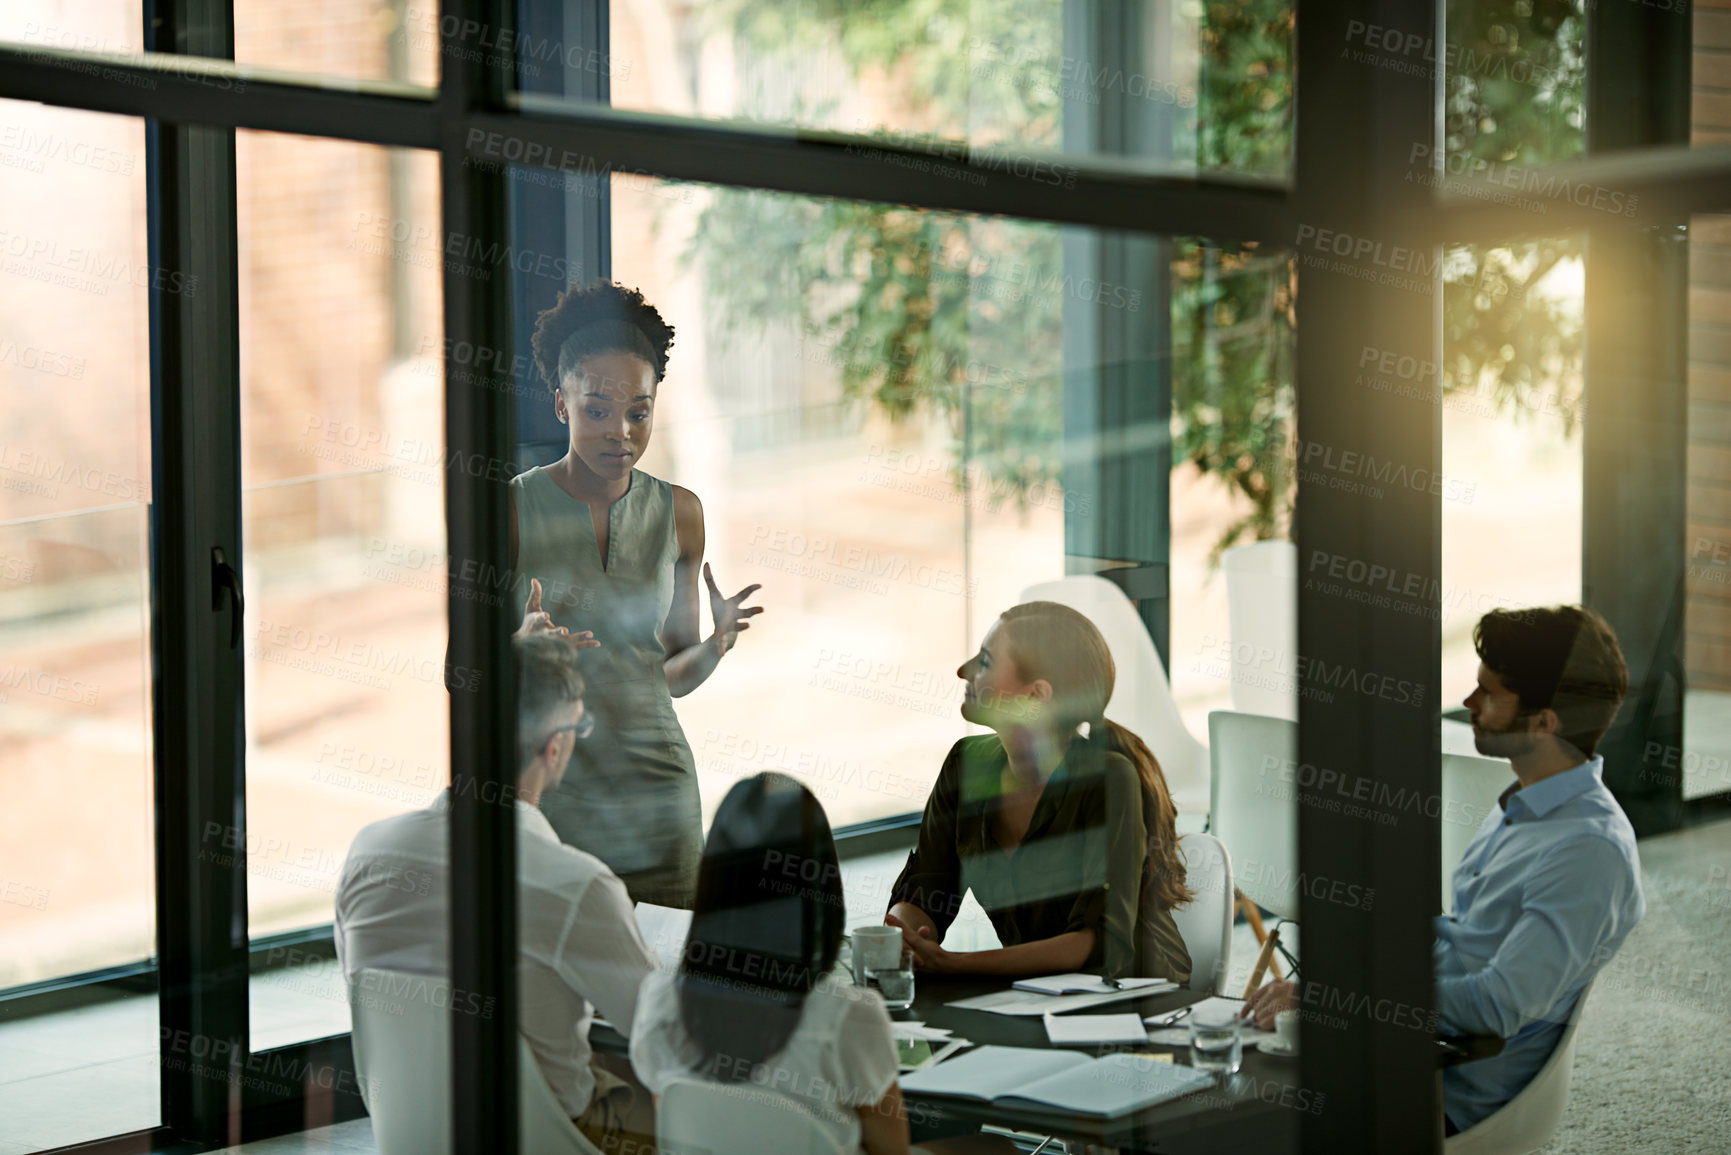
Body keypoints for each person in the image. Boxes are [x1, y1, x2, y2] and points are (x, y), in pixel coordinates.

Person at [1242, 604, 1644, 1136]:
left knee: (1242, 1122)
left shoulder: (1588, 851)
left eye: (1490, 694)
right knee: (1219, 1080)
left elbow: (1493, 1006)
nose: (1468, 702)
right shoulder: (1523, 802)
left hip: (1447, 1096)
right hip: (1403, 1050)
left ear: (1545, 723)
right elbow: (1458, 942)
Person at [335, 634, 660, 1153]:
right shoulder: (575, 886)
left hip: (412, 1131)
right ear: (555, 747)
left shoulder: (367, 855)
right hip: (548, 1136)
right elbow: (661, 1038)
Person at [514, 280, 763, 907]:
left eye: (639, 412)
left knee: (669, 977)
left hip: (660, 796)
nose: (620, 432)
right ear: (561, 405)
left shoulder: (681, 513)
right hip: (554, 790)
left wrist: (717, 645)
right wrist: (519, 647)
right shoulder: (509, 511)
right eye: (597, 410)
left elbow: (670, 674)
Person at [629, 772, 1011, 1155]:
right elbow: (890, 1149)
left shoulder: (660, 1001)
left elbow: (676, 1123)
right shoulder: (848, 1015)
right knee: (995, 1148)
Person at [884, 601, 1193, 982]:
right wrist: (905, 937)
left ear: (1035, 695)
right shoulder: (966, 765)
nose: (963, 671)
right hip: (1034, 997)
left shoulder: (1110, 780)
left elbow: (1096, 944)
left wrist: (955, 964)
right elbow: (926, 891)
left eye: (984, 662)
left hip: (1137, 998)